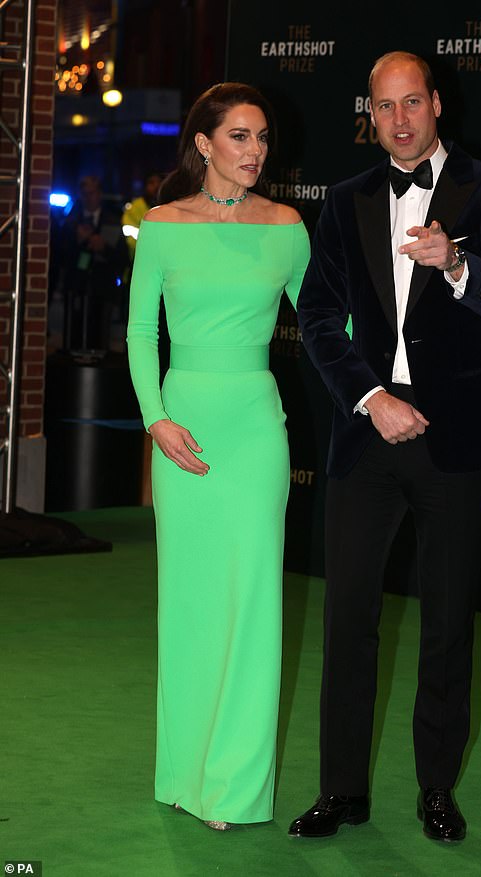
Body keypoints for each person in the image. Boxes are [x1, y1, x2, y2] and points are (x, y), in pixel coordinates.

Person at [288, 51, 481, 842]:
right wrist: (370, 396)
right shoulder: (345, 200)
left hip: (455, 437)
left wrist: (457, 262)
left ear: (436, 104)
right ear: (369, 113)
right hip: (369, 429)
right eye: (383, 107)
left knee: (448, 619)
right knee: (349, 616)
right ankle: (342, 791)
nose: (398, 119)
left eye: (411, 103)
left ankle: (435, 788)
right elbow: (319, 319)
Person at [127, 82, 309, 830]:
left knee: (254, 601)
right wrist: (156, 421)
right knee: (193, 599)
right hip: (184, 422)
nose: (255, 151)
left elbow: (333, 323)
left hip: (255, 427)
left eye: (262, 137)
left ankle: (232, 785)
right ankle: (183, 769)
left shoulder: (289, 226)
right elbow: (140, 334)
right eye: (239, 137)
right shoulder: (163, 227)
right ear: (203, 144)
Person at [60, 175, 128, 351]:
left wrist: (103, 248)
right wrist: (78, 240)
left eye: (92, 193)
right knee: (74, 338)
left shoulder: (112, 220)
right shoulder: (71, 220)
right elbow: (59, 254)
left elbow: (123, 257)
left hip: (102, 289)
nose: (88, 197)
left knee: (100, 339)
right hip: (77, 288)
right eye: (85, 193)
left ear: (99, 194)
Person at [121, 171, 162, 262]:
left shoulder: (168, 208)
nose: (156, 186)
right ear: (145, 186)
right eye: (151, 183)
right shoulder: (134, 208)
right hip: (138, 262)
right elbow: (131, 238)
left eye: (159, 182)